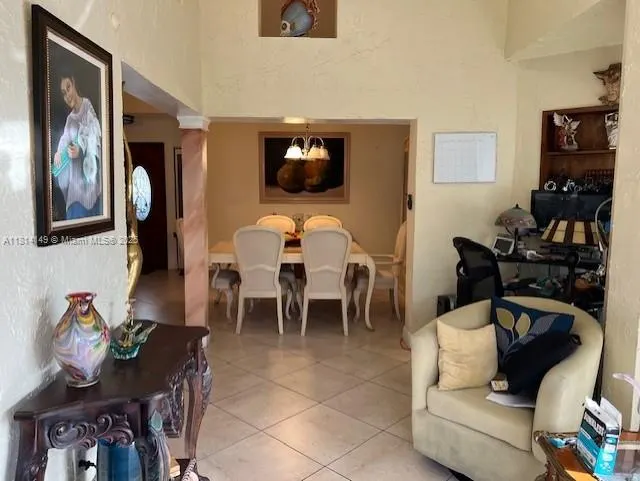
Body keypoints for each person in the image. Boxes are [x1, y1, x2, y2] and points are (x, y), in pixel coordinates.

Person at [52, 73, 102, 220]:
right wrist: (58, 153)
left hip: (90, 189)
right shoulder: (70, 119)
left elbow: (95, 137)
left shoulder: (88, 108)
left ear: (74, 83)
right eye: (63, 93)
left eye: (68, 88)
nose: (67, 95)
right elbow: (64, 139)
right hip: (75, 192)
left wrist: (81, 150)